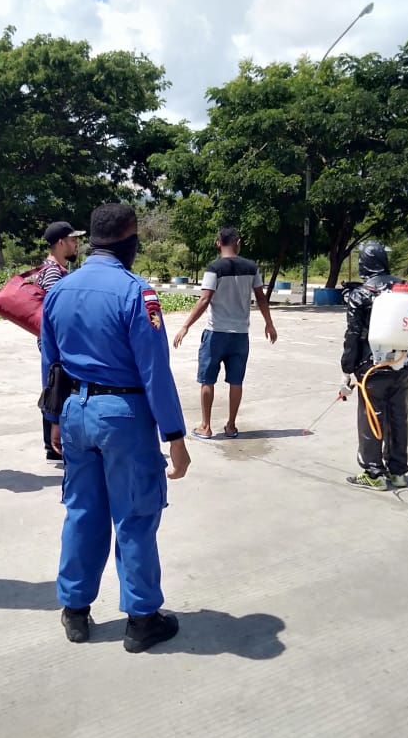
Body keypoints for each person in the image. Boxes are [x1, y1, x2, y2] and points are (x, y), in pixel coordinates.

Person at [41, 203, 191, 653]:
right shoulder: (137, 293)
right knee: (135, 514)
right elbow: (154, 371)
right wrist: (176, 436)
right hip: (122, 416)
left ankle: (76, 611)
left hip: (73, 411)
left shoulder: (58, 290)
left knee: (82, 511)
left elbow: (50, 363)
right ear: (129, 241)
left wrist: (52, 419)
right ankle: (142, 619)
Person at [172, 227, 277, 438]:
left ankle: (206, 426)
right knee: (236, 381)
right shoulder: (251, 267)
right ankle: (230, 426)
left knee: (207, 379)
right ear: (239, 241)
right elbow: (261, 296)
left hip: (216, 333)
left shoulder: (214, 268)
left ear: (218, 243)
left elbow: (204, 299)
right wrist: (269, 323)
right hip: (240, 335)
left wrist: (185, 326)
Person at [340, 241, 408, 491]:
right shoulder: (405, 290)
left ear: (364, 264)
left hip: (372, 368)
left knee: (371, 418)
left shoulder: (361, 294)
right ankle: (398, 472)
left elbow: (353, 334)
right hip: (402, 364)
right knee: (398, 417)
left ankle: (374, 472)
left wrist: (347, 367)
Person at [37, 220, 84, 463]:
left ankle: (52, 442)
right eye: (73, 240)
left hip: (53, 339)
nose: (77, 244)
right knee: (56, 386)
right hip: (56, 340)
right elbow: (57, 312)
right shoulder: (54, 271)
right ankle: (52, 444)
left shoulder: (54, 269)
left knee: (54, 384)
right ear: (60, 242)